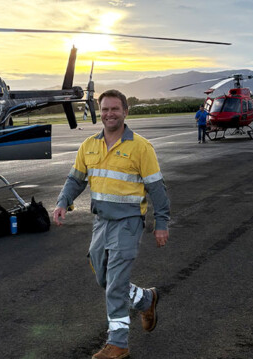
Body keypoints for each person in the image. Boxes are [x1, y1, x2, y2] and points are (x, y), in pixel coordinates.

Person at [52, 89, 170, 359]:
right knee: (104, 278)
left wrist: (161, 223)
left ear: (125, 112)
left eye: (115, 109)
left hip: (128, 223)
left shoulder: (141, 147)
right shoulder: (89, 146)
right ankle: (146, 300)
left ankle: (118, 344)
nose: (109, 114)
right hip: (101, 222)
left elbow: (157, 189)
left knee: (116, 284)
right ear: (99, 112)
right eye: (104, 109)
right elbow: (75, 180)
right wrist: (62, 203)